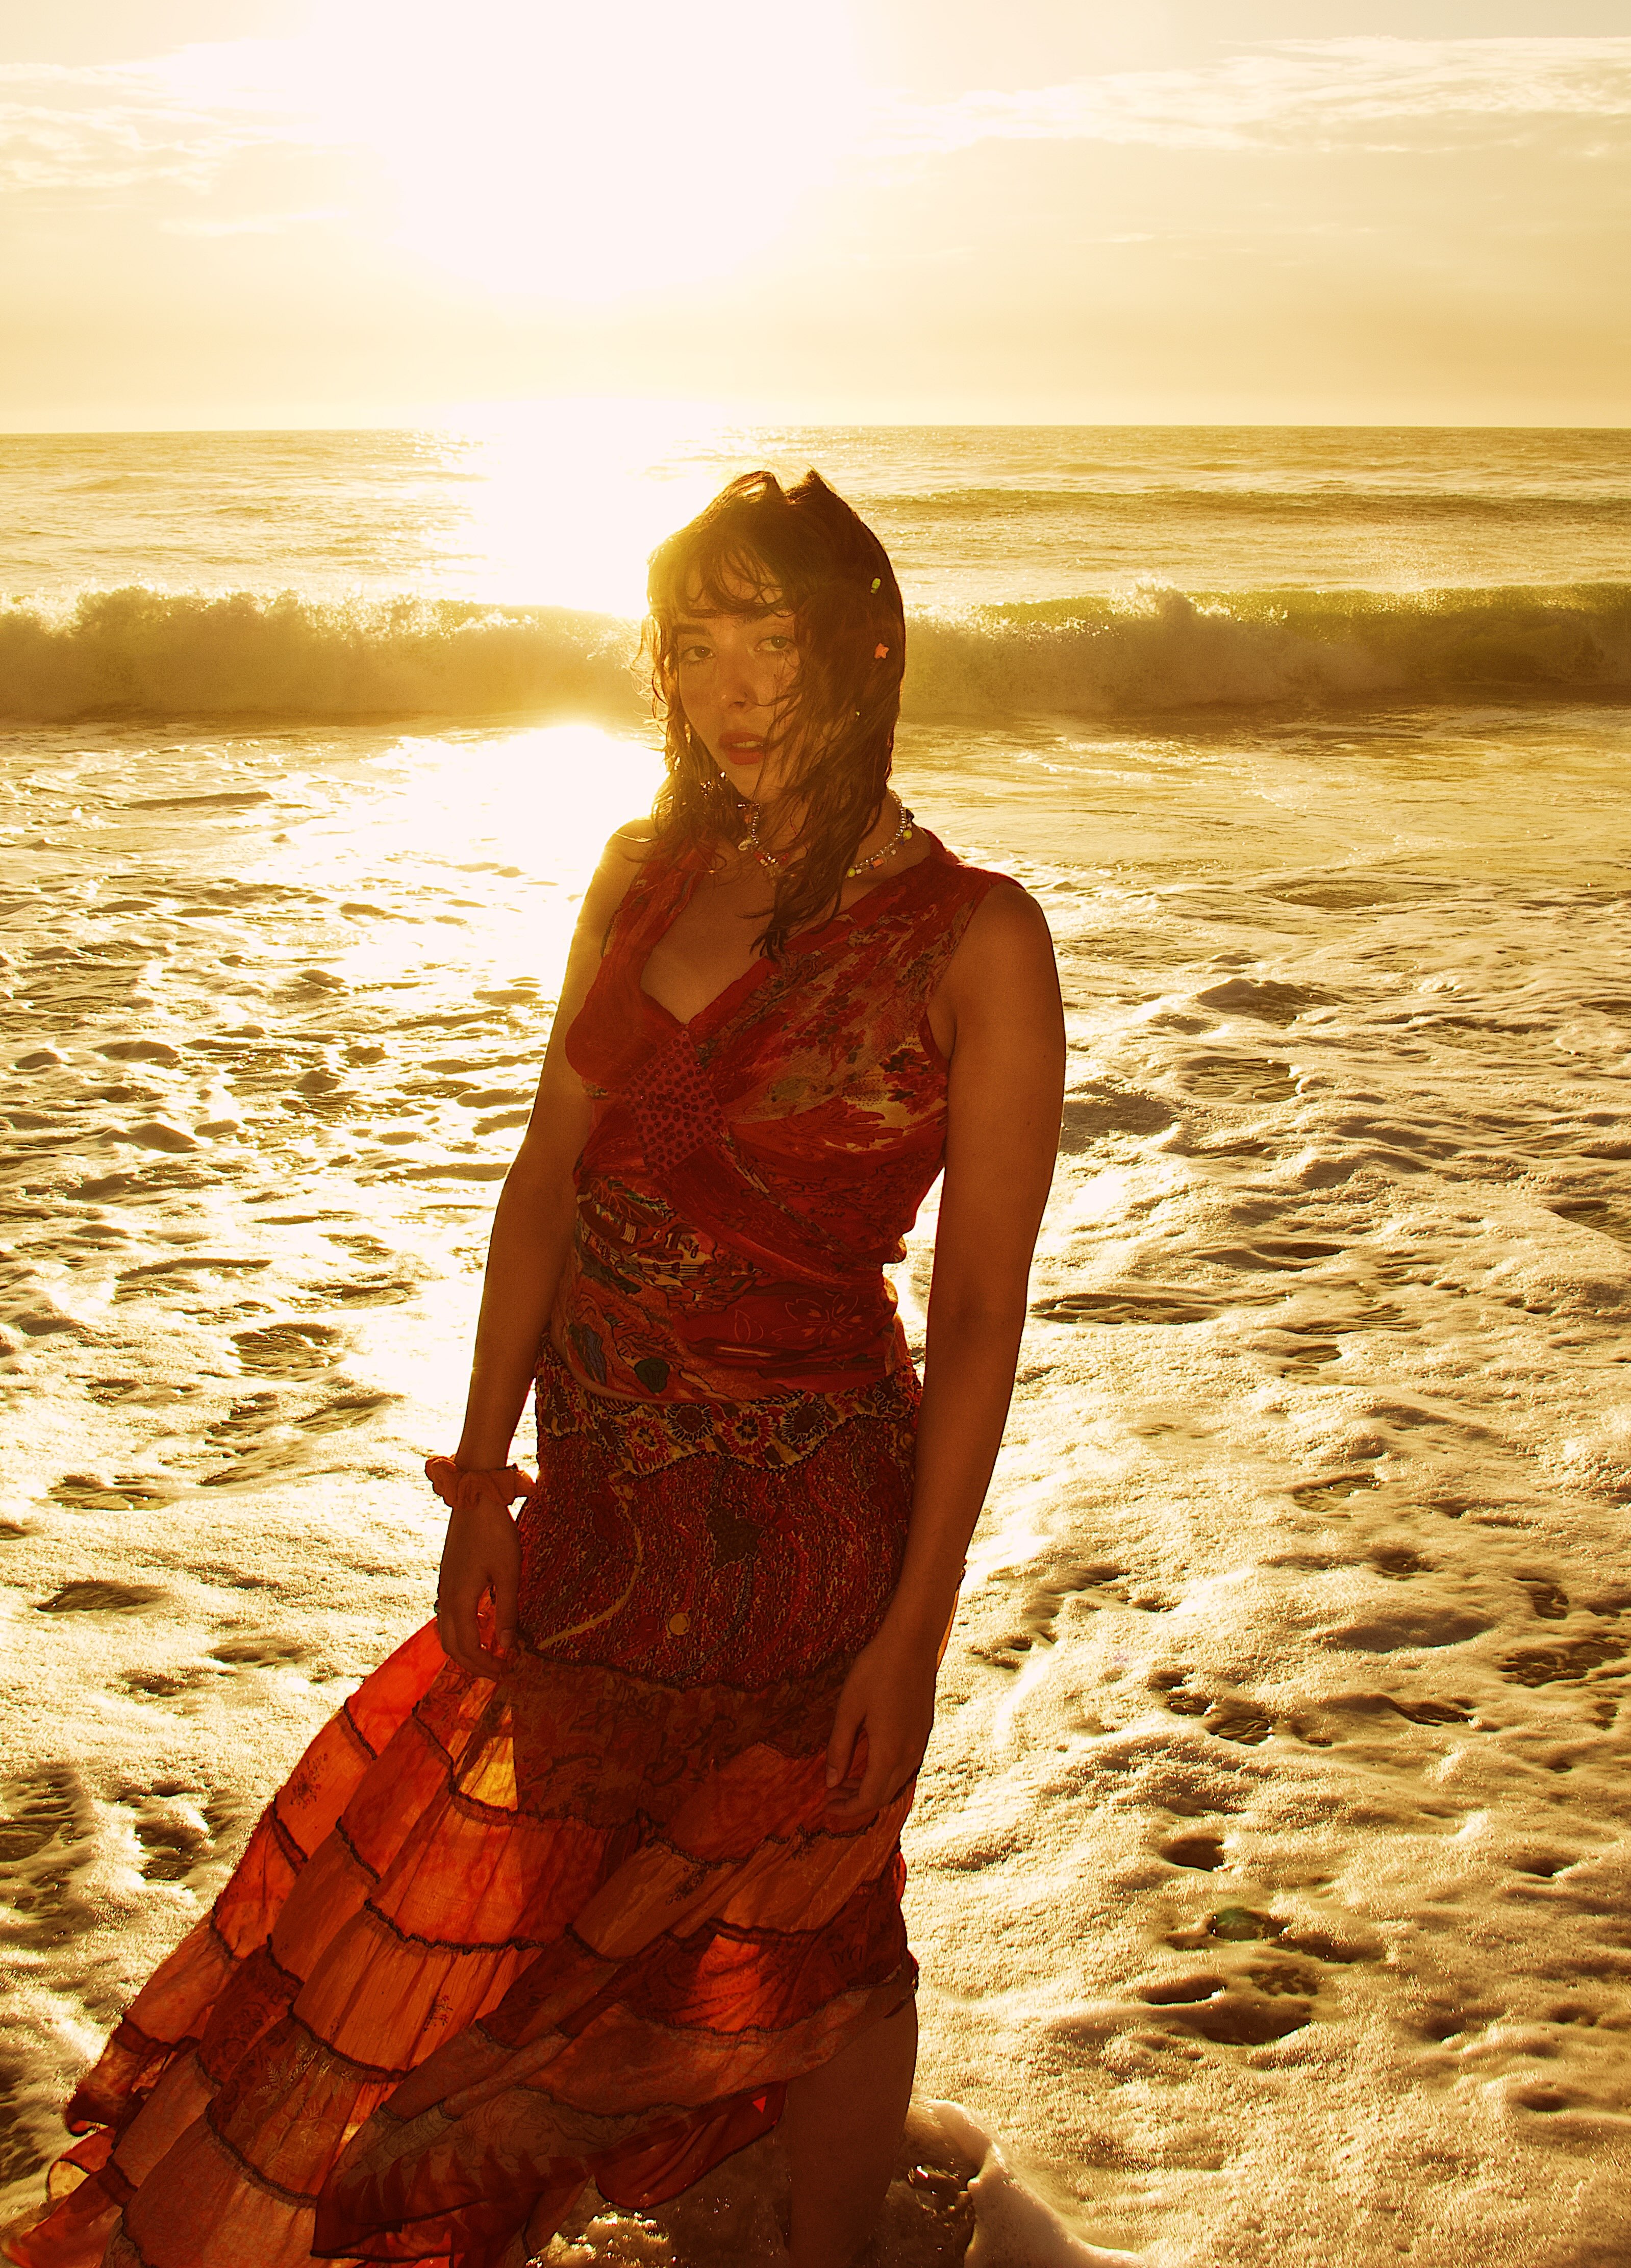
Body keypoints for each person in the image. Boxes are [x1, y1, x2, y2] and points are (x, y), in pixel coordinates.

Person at [6, 470, 1064, 2268]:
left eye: (771, 639)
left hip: (813, 1525)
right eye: (696, 646)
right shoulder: (643, 876)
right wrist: (483, 1477)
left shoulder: (978, 940)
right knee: (510, 1907)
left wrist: (914, 1629)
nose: (732, 687)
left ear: (865, 647)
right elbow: (545, 1176)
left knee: (818, 1918)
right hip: (602, 1506)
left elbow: (977, 1321)